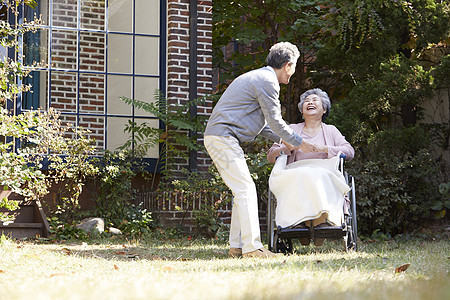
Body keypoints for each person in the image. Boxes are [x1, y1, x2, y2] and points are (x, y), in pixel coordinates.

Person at [204, 42, 316, 258]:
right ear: (288, 65)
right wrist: (299, 142)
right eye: (294, 67)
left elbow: (264, 126)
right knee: (246, 188)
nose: (293, 72)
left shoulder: (260, 78)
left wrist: (287, 142)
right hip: (222, 137)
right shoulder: (267, 81)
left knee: (241, 190)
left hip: (222, 137)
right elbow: (275, 121)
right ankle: (252, 248)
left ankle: (237, 246)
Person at [267, 88, 355, 246]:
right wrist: (289, 148)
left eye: (315, 100)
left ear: (324, 109)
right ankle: (299, 222)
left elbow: (349, 151)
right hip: (294, 172)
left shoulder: (331, 131)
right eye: (306, 101)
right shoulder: (291, 130)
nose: (310, 102)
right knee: (303, 175)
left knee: (317, 175)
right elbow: (271, 155)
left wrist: (324, 149)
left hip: (324, 171)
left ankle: (321, 221)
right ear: (302, 110)